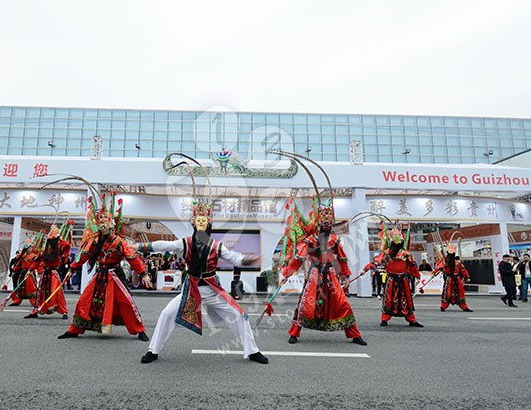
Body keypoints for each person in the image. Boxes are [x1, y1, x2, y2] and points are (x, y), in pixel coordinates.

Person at [138, 156, 268, 364]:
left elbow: (234, 257)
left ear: (209, 224)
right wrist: (142, 247)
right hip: (191, 289)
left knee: (239, 315)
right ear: (193, 222)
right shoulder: (186, 243)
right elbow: (166, 245)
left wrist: (249, 261)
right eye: (198, 220)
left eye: (204, 220)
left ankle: (252, 350)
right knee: (166, 313)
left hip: (211, 287)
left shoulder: (217, 246)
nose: (201, 223)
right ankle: (153, 350)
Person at [278, 189, 367, 346]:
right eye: (323, 220)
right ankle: (294, 332)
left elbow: (342, 259)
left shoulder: (334, 240)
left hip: (331, 276)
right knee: (305, 304)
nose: (326, 223)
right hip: (314, 276)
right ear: (318, 222)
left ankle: (354, 334)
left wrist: (345, 275)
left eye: (329, 220)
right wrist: (287, 273)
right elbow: (299, 258)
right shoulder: (310, 240)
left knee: (342, 303)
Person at [58, 191, 151, 338]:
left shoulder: (119, 242)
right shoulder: (95, 242)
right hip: (100, 275)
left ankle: (139, 331)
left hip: (115, 276)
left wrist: (143, 273)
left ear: (112, 226)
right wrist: (72, 269)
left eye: (106, 224)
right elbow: (84, 255)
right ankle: (74, 330)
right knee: (84, 301)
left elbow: (132, 258)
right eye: (101, 224)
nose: (103, 227)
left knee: (126, 303)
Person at [25, 223, 72, 318]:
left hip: (53, 273)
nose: (51, 233)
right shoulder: (46, 246)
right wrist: (31, 269)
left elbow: (66, 250)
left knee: (56, 292)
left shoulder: (61, 244)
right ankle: (36, 311)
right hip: (44, 273)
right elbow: (39, 259)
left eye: (54, 230)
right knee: (40, 292)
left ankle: (64, 312)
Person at [434, 245, 472, 312]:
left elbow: (463, 270)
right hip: (449, 279)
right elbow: (439, 268)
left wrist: (467, 277)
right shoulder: (445, 262)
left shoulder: (457, 262)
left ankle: (464, 307)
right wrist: (435, 272)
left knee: (460, 293)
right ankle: (443, 306)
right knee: (447, 293)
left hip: (457, 279)